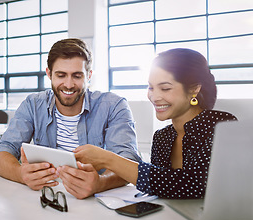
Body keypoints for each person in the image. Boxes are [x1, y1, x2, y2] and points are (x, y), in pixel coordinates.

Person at [73, 48, 237, 199]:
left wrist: (109, 160)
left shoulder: (222, 125)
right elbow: (159, 187)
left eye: (165, 88)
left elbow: (192, 185)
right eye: (151, 88)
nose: (155, 97)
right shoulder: (162, 137)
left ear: (194, 89)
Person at [0, 38, 141, 199]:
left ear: (88, 75)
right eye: (61, 75)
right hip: (45, 198)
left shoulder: (114, 105)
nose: (68, 84)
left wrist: (101, 183)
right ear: (49, 74)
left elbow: (128, 160)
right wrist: (20, 174)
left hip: (97, 203)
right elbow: (0, 151)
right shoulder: (33, 104)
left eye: (77, 76)